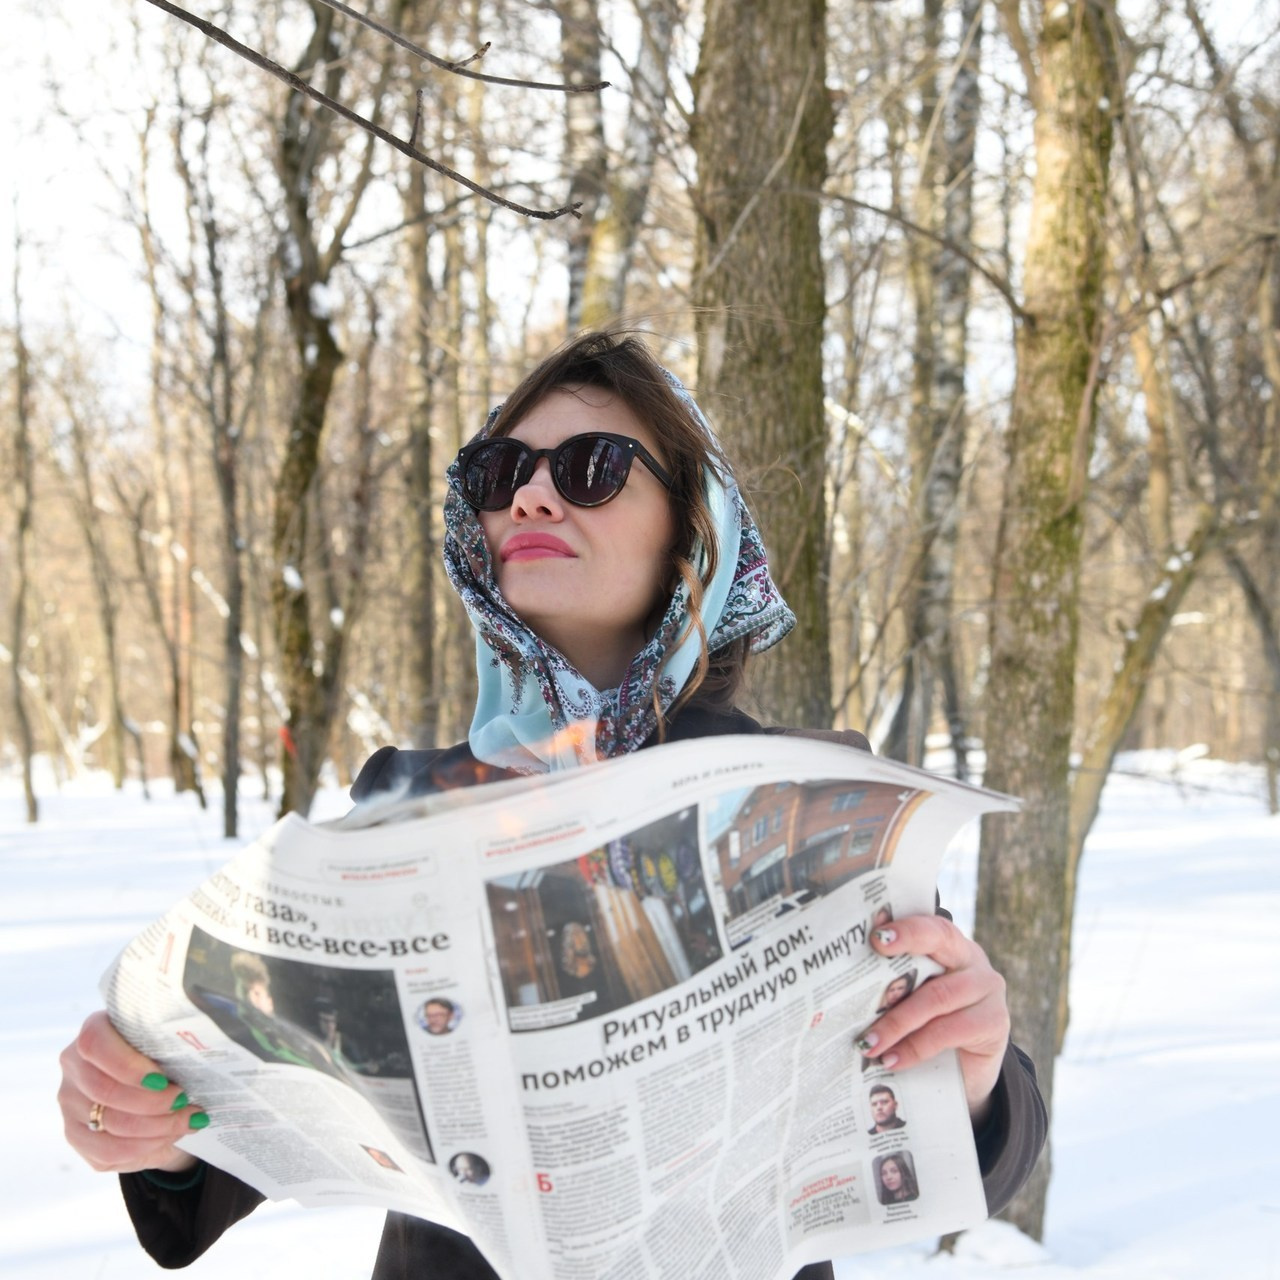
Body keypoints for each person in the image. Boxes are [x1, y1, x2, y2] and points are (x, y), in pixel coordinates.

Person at [56, 331, 1047, 1280]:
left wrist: (968, 1070)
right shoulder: (406, 802)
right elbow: (259, 1126)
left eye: (592, 466)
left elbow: (968, 1153)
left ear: (690, 529)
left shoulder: (801, 801)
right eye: (498, 472)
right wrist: (147, 1128)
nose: (531, 493)